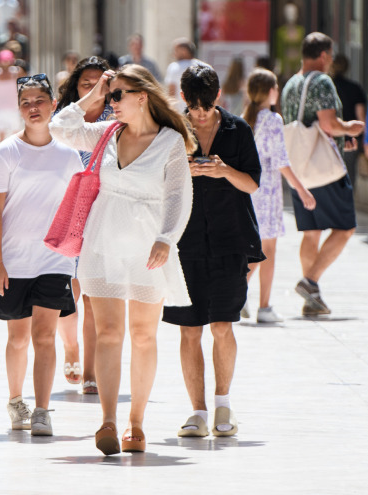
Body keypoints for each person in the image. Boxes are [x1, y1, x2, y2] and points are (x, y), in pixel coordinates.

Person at [51, 64, 195, 454]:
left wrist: (167, 238)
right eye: (110, 95)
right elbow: (59, 127)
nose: (111, 102)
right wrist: (95, 93)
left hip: (149, 246)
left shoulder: (169, 142)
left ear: (142, 96)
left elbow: (179, 197)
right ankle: (108, 421)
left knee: (144, 336)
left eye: (118, 95)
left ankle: (136, 423)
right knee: (110, 333)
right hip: (103, 242)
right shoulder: (106, 133)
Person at [162, 64, 264, 440]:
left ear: (218, 97)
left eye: (207, 105)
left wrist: (223, 171)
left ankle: (223, 404)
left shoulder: (239, 130)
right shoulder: (172, 131)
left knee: (222, 325)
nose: (201, 113)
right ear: (184, 99)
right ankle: (197, 412)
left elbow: (253, 184)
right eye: (195, 106)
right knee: (189, 330)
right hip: (183, 242)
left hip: (230, 240)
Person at [0, 74, 81, 436]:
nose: (33, 108)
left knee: (43, 335)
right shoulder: (5, 152)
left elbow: (75, 212)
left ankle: (41, 410)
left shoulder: (70, 158)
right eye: (25, 103)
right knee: (18, 338)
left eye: (40, 100)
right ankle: (15, 400)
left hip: (54, 260)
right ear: (19, 109)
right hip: (13, 262)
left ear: (53, 105)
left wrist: (75, 265)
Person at [280, 32, 364, 316]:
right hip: (323, 171)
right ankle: (310, 281)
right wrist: (349, 128)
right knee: (345, 227)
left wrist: (340, 139)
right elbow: (328, 123)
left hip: (299, 168)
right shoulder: (322, 81)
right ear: (324, 55)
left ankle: (311, 300)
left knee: (311, 232)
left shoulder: (291, 83)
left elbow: (305, 127)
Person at [54, 55, 114, 394]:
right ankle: (71, 348)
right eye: (85, 84)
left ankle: (91, 371)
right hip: (65, 212)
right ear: (76, 86)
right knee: (67, 291)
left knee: (92, 295)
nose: (92, 89)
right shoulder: (64, 120)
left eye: (99, 84)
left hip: (104, 214)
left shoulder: (118, 119)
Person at [242, 68, 316, 323]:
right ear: (269, 90)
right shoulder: (272, 120)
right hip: (269, 192)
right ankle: (263, 307)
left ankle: (238, 297)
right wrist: (301, 188)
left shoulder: (245, 119)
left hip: (249, 192)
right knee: (268, 251)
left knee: (253, 250)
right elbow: (281, 161)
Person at [331, 53, 367, 185]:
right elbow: (361, 117)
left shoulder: (327, 88)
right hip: (351, 140)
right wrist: (365, 139)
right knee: (349, 177)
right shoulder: (355, 88)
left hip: (330, 139)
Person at [0, 49, 23, 142]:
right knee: (5, 135)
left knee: (12, 135)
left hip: (11, 108)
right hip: (4, 108)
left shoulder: (15, 72)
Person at [164, 38, 206, 112]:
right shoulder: (205, 66)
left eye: (176, 51)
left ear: (184, 51)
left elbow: (171, 93)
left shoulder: (174, 67)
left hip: (181, 113)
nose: (173, 54)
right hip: (201, 113)